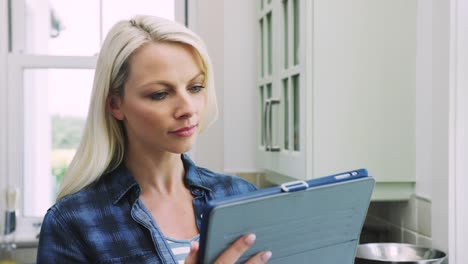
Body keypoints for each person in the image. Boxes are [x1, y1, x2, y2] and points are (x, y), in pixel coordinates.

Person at [36, 15, 272, 264]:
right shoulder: (73, 222)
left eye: (195, 88)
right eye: (160, 94)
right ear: (115, 104)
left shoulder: (239, 195)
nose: (187, 109)